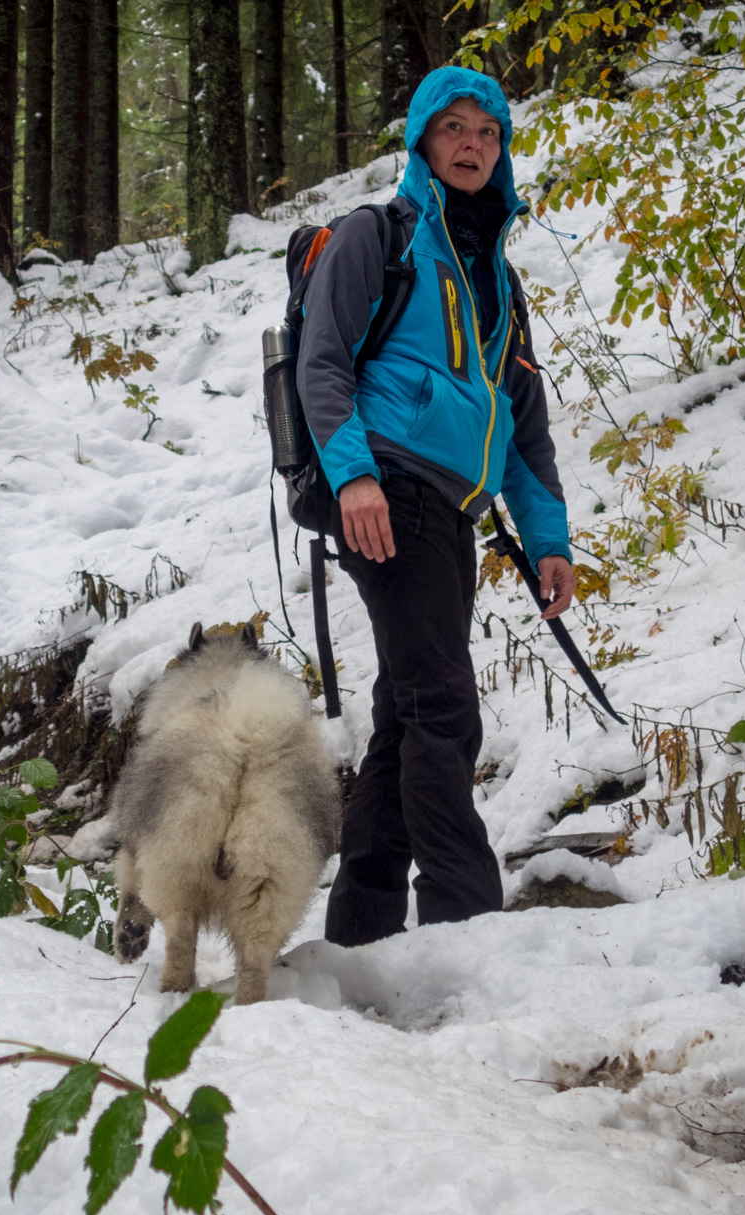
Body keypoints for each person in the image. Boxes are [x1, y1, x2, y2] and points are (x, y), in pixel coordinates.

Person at [295, 65, 575, 947]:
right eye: (454, 129)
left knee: (411, 711)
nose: (472, 145)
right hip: (388, 492)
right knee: (444, 703)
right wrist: (356, 477)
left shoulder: (498, 276)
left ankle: (362, 931)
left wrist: (547, 539)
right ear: (422, 141)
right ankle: (467, 920)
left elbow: (522, 424)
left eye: (488, 134)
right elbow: (323, 363)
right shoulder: (377, 235)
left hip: (453, 511)